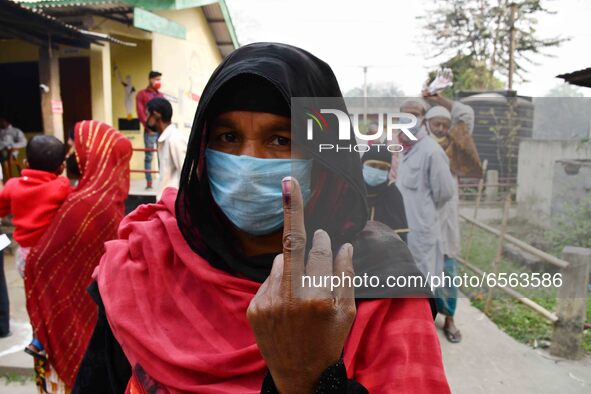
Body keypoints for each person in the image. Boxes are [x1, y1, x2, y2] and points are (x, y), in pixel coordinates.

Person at [72, 43, 450, 394]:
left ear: (324, 160)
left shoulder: (377, 281)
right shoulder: (149, 257)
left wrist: (311, 379)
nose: (248, 162)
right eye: (227, 136)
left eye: (280, 140)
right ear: (203, 147)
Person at [25, 121, 132, 393]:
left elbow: (40, 262)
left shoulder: (82, 204)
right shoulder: (110, 201)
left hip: (66, 321)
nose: (73, 155)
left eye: (77, 149)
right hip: (94, 325)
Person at [0, 135, 72, 358]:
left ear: (25, 164)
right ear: (61, 167)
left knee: (35, 298)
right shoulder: (61, 186)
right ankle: (50, 339)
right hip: (50, 256)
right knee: (54, 298)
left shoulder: (13, 186)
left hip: (24, 257)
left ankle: (38, 339)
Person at [423, 97, 482, 344]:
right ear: (426, 125)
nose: (440, 129)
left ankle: (449, 318)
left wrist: (439, 100)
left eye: (444, 125)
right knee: (422, 273)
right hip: (422, 223)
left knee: (447, 271)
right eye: (435, 124)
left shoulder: (456, 148)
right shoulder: (418, 147)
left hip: (446, 223)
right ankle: (425, 319)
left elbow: (466, 115)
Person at [396, 98, 455, 279]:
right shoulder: (401, 148)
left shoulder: (431, 151)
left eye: (414, 114)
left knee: (424, 280)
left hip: (421, 230)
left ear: (423, 118)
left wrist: (424, 211)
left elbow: (445, 193)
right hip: (402, 229)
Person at [361, 146, 408, 242]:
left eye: (382, 168)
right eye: (372, 166)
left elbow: (399, 238)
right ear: (362, 164)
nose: (377, 171)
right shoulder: (353, 191)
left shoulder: (392, 194)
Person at [145, 97, 188, 200]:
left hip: (174, 205)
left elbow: (187, 175)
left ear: (156, 114)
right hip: (166, 202)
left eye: (148, 115)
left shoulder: (174, 139)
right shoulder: (165, 139)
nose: (146, 120)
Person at [136, 71, 164, 190]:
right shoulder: (141, 94)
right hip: (150, 132)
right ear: (150, 79)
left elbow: (164, 112)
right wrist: (148, 128)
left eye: (160, 79)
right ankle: (149, 182)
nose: (158, 82)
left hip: (161, 131)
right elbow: (140, 112)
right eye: (156, 79)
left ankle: (164, 182)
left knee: (162, 156)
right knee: (149, 156)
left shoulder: (161, 96)